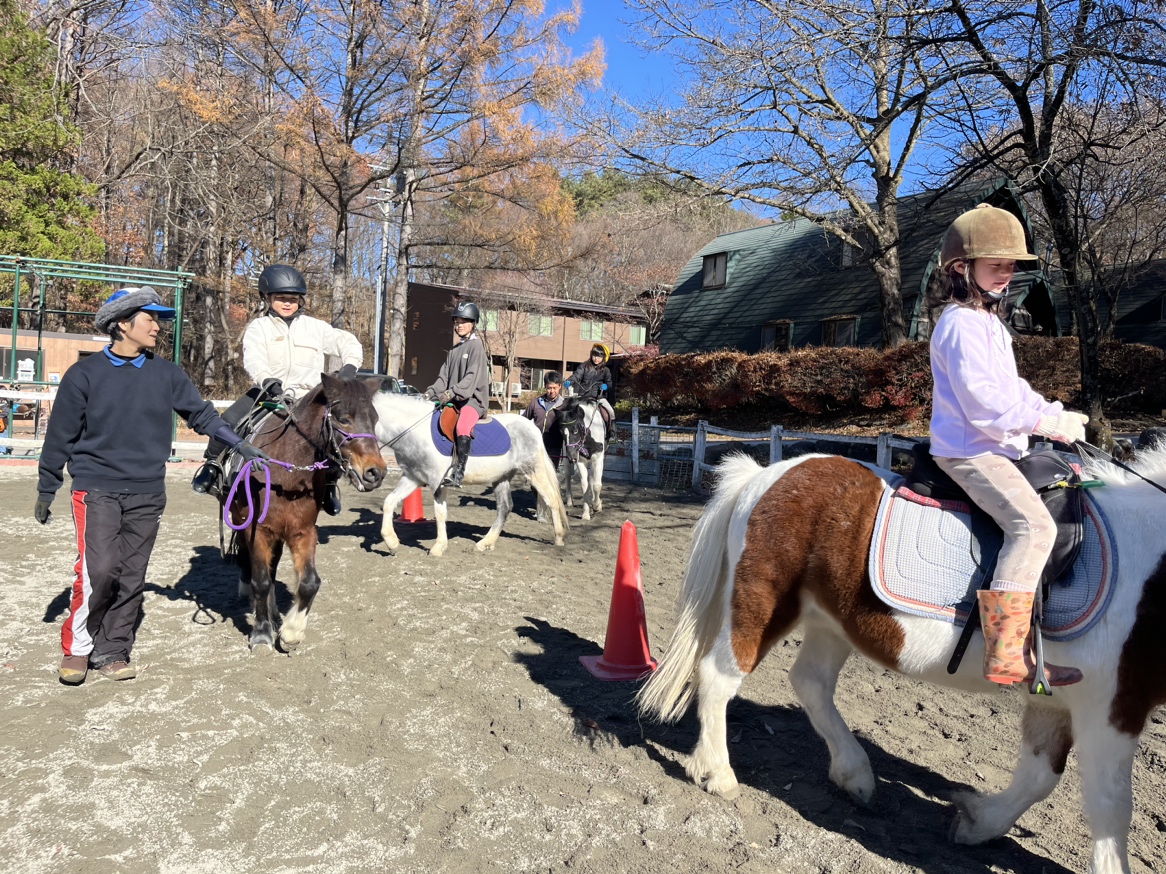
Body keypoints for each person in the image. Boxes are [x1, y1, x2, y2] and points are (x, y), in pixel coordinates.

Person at [36, 287, 267, 685]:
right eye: (150, 318)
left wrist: (239, 443)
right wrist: (47, 486)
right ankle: (78, 648)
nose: (157, 327)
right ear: (122, 324)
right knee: (99, 570)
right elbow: (60, 435)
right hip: (96, 488)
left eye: (158, 319)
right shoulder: (84, 375)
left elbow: (202, 415)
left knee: (131, 575)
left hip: (148, 490)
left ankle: (112, 650)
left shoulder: (168, 375)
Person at [929, 204, 1088, 688]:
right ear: (962, 267)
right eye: (997, 264)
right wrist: (1045, 423)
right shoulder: (959, 324)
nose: (1007, 273)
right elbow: (984, 403)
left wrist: (1055, 412)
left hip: (997, 447)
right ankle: (1006, 654)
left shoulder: (989, 323)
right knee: (1033, 528)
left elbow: (1014, 391)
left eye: (1012, 265)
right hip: (970, 451)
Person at [191, 263, 364, 514]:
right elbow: (253, 358)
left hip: (309, 395)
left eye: (293, 299)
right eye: (281, 298)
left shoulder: (316, 328)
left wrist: (349, 367)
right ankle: (212, 466)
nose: (287, 303)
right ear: (267, 298)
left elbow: (348, 343)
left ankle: (329, 482)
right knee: (228, 419)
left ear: (301, 300)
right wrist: (266, 379)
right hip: (269, 391)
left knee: (337, 431)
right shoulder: (259, 328)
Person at [424, 300, 490, 488]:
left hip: (472, 401)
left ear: (474, 323)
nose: (459, 325)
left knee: (462, 426)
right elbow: (443, 378)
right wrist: (430, 392)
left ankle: (459, 474)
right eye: (457, 321)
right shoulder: (453, 351)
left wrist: (452, 392)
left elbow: (470, 378)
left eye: (464, 321)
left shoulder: (476, 347)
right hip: (455, 400)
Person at [565, 343, 616, 444]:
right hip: (583, 397)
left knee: (610, 412)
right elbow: (576, 376)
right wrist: (570, 381)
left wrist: (606, 386)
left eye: (599, 356)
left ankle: (612, 433)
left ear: (604, 358)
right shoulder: (584, 366)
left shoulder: (606, 370)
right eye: (594, 355)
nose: (596, 358)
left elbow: (610, 384)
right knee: (568, 409)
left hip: (599, 398)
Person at [521, 371, 565, 462]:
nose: (552, 391)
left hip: (554, 447)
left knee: (551, 469)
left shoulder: (564, 405)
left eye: (554, 388)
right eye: (549, 388)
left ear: (560, 386)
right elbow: (523, 420)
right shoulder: (536, 402)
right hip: (536, 445)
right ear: (545, 386)